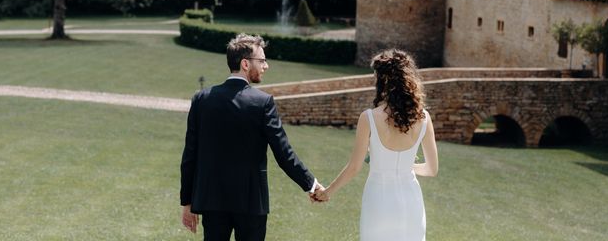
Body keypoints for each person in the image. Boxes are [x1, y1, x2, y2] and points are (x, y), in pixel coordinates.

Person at [180, 33, 324, 240]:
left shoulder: (202, 99)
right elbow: (284, 153)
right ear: (245, 64)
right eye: (262, 60)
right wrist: (310, 184)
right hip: (250, 202)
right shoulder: (262, 102)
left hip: (212, 201)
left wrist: (187, 201)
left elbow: (189, 156)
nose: (266, 66)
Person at [315, 48, 438, 241]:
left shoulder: (369, 118)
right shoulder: (424, 118)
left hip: (379, 200)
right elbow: (432, 170)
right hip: (411, 202)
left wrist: (327, 192)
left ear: (383, 80)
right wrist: (405, 166)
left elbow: (354, 167)